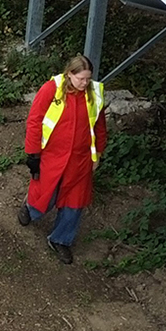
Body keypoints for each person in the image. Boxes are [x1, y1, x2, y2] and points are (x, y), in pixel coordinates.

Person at [20, 54, 107, 265]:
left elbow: (99, 126)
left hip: (80, 158)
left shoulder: (94, 93)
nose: (85, 83)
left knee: (75, 202)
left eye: (88, 79)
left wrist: (98, 154)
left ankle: (61, 239)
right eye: (81, 79)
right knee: (45, 193)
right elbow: (35, 120)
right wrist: (33, 153)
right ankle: (30, 209)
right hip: (52, 154)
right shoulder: (51, 89)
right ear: (70, 74)